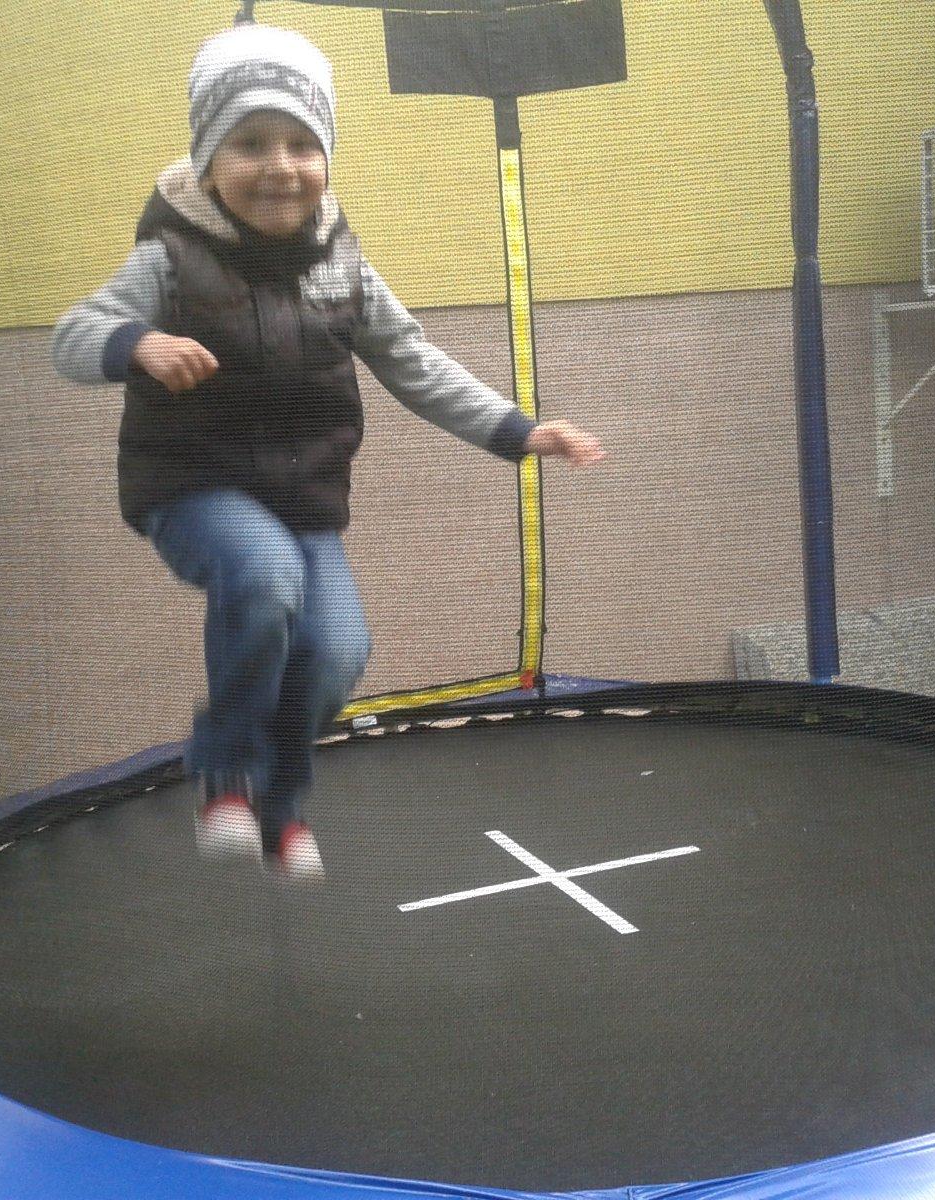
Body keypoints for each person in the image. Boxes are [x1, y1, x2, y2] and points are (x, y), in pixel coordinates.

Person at [51, 22, 603, 882]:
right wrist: (138, 344)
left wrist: (517, 429)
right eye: (250, 144)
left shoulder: (342, 261)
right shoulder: (169, 257)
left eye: (302, 145)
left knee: (337, 651)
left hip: (302, 498)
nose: (280, 166)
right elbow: (72, 336)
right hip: (191, 486)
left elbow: (412, 360)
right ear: (207, 161)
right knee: (265, 577)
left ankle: (281, 806)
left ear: (327, 158)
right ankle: (224, 778)